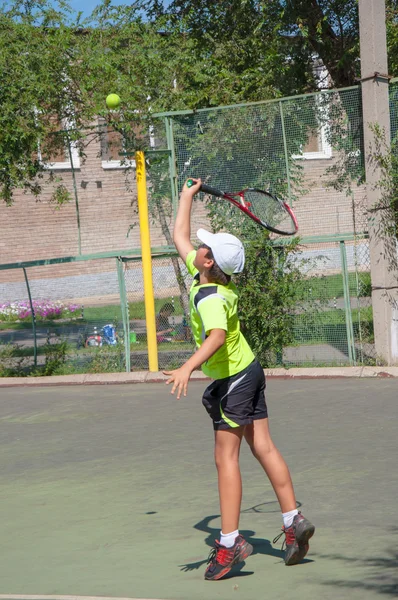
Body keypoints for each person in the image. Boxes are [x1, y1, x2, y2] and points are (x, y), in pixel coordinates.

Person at [164, 178, 315, 581]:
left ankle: (230, 546)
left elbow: (215, 337)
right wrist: (186, 197)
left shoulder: (210, 297)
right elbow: (180, 234)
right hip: (249, 370)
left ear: (208, 261)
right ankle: (293, 519)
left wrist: (187, 366)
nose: (196, 247)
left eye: (203, 246)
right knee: (262, 445)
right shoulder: (209, 280)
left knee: (224, 458)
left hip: (233, 380)